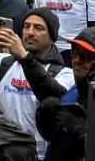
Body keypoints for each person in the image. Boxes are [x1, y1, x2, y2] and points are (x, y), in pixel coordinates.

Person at [0, 7, 74, 158]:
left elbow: (53, 94)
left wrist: (25, 58)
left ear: (52, 37)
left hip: (37, 154)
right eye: (26, 26)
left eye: (38, 28)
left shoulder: (64, 73)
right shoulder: (1, 62)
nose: (30, 32)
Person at [35, 26, 95, 161]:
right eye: (75, 52)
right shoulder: (74, 91)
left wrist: (82, 134)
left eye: (86, 56)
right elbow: (56, 139)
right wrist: (45, 120)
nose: (77, 60)